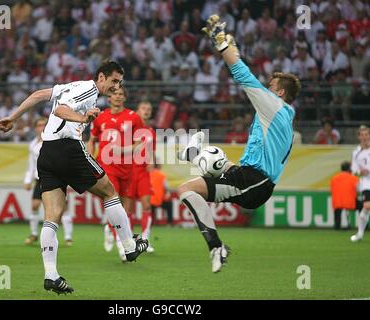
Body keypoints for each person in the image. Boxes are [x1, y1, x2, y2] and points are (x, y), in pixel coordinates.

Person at [0, 60, 149, 295]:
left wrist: (13, 117)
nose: (116, 87)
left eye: (120, 82)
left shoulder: (70, 86)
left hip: (46, 154)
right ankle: (129, 246)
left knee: (52, 215)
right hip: (68, 149)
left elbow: (38, 95)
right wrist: (83, 119)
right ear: (101, 77)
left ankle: (51, 275)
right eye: (114, 81)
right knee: (109, 191)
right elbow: (60, 110)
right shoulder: (88, 90)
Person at [177, 15, 301, 273]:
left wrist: (222, 46)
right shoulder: (280, 117)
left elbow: (243, 76)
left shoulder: (274, 106)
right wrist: (230, 46)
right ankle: (194, 154)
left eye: (271, 86)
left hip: (256, 182)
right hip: (250, 176)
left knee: (187, 189)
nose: (266, 88)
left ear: (279, 92)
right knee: (216, 162)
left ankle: (216, 246)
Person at [87, 85, 144, 262]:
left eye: (121, 94)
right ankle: (124, 247)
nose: (118, 97)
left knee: (126, 210)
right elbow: (92, 140)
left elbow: (140, 144)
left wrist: (122, 150)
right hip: (107, 167)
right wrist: (90, 158)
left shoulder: (134, 118)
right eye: (115, 94)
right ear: (109, 98)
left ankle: (109, 227)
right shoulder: (100, 117)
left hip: (127, 167)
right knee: (114, 202)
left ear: (125, 98)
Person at [23, 118, 74, 246]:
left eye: (43, 125)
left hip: (55, 177)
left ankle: (68, 236)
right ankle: (34, 234)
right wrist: (28, 179)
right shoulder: (33, 144)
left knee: (62, 208)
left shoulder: (54, 139)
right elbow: (31, 164)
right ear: (35, 128)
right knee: (35, 205)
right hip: (39, 178)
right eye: (39, 125)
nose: (41, 127)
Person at [125, 101, 156, 253]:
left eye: (149, 109)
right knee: (128, 209)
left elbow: (151, 152)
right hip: (130, 172)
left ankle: (145, 240)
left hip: (143, 172)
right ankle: (130, 241)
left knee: (147, 205)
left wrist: (151, 161)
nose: (147, 111)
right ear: (137, 111)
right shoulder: (129, 129)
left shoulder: (151, 131)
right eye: (144, 108)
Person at [351, 125, 370, 242]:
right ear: (358, 137)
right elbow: (354, 171)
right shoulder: (356, 153)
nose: (364, 137)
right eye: (362, 135)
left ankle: (359, 234)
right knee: (367, 206)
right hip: (366, 182)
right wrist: (360, 171)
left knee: (366, 209)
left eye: (366, 134)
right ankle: (359, 234)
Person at [330, 161, 359, 230]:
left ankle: (337, 226)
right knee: (363, 208)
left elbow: (331, 189)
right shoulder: (354, 178)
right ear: (349, 169)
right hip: (350, 201)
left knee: (337, 211)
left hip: (338, 202)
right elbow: (359, 189)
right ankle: (364, 226)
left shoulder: (334, 178)